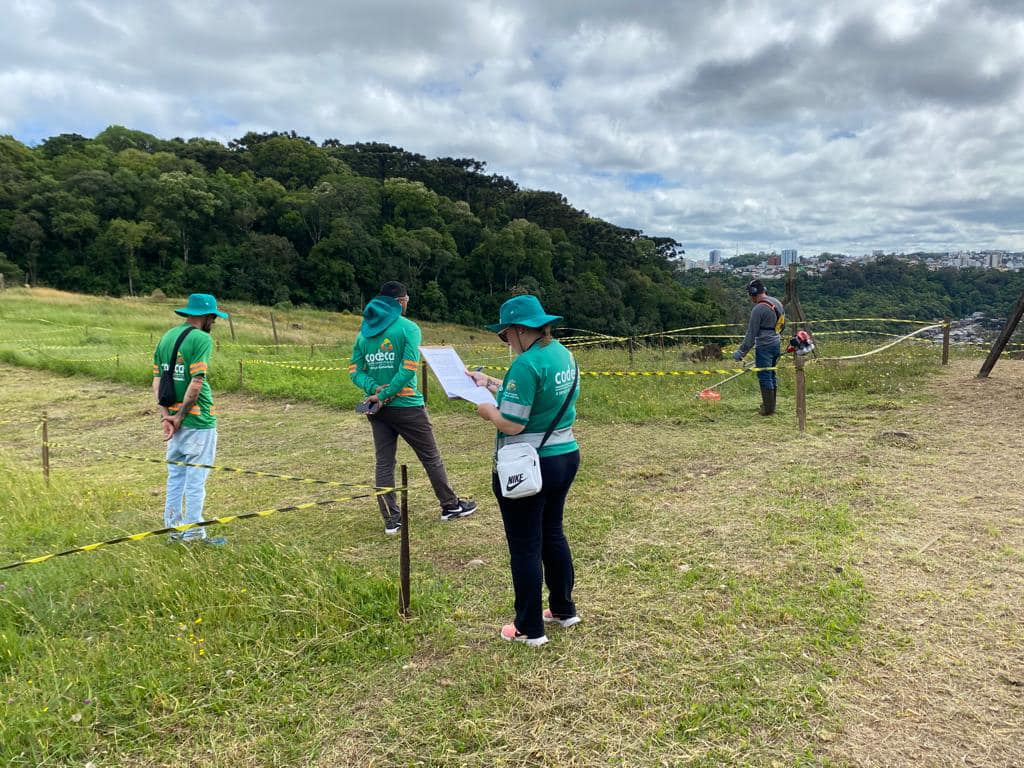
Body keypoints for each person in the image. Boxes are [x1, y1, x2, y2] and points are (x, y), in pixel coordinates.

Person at [468, 295, 581, 647]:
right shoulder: (562, 353)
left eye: (505, 336)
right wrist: (490, 382)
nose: (506, 342)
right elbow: (537, 395)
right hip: (565, 455)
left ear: (519, 330)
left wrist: (487, 411)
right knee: (552, 533)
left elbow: (513, 423)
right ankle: (563, 609)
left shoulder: (525, 364)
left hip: (530, 464)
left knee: (524, 547)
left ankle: (528, 628)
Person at [349, 281, 477, 534]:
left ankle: (391, 520)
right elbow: (408, 369)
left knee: (384, 463)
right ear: (399, 302)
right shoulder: (408, 328)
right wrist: (385, 393)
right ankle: (450, 506)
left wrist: (374, 389)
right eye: (406, 299)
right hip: (407, 405)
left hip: (377, 410)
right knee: (431, 457)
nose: (408, 303)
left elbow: (355, 372)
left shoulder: (363, 334)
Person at [152, 293, 228, 545]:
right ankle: (195, 533)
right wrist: (180, 416)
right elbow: (197, 382)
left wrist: (167, 417)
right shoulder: (201, 339)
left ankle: (173, 530)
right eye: (213, 318)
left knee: (176, 477)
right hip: (198, 421)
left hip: (173, 420)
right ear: (205, 316)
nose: (213, 322)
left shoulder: (166, 337)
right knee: (196, 479)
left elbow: (156, 381)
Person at [732, 279, 785, 416]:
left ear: (753, 293)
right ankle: (771, 406)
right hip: (776, 343)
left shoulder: (758, 309)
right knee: (772, 373)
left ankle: (768, 410)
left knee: (764, 376)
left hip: (764, 346)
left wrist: (741, 352)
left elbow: (751, 334)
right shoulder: (777, 302)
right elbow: (782, 325)